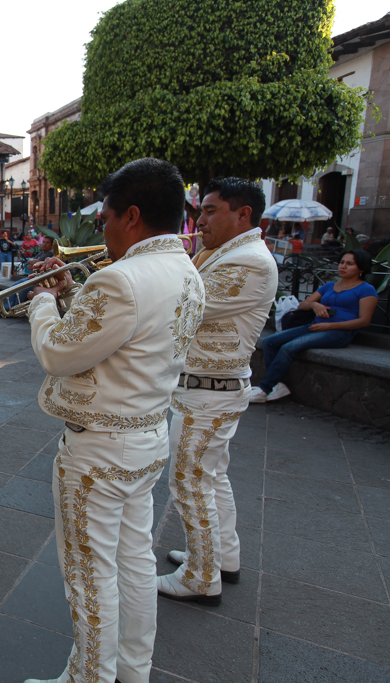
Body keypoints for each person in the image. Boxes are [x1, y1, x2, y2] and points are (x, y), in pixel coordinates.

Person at [24, 158, 205, 683]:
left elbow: (58, 353)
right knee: (135, 564)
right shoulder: (188, 271)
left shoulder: (121, 281)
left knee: (88, 574)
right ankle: (132, 670)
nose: (100, 230)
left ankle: (90, 678)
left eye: (103, 219)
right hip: (146, 436)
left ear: (130, 216)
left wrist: (43, 303)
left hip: (99, 451)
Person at [157, 178, 277, 608]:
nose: (199, 219)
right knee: (211, 477)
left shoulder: (249, 262)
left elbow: (184, 304)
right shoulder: (223, 252)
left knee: (189, 481)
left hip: (209, 392)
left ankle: (200, 577)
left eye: (210, 211)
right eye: (200, 211)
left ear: (243, 214)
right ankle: (222, 556)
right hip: (208, 388)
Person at [250, 249, 378, 403]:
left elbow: (364, 321)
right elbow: (302, 305)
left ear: (361, 268)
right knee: (270, 342)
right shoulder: (330, 286)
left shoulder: (366, 290)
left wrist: (330, 326)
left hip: (340, 332)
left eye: (350, 264)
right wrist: (315, 305)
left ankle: (265, 388)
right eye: (342, 262)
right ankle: (277, 385)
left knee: (288, 347)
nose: (343, 266)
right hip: (315, 325)